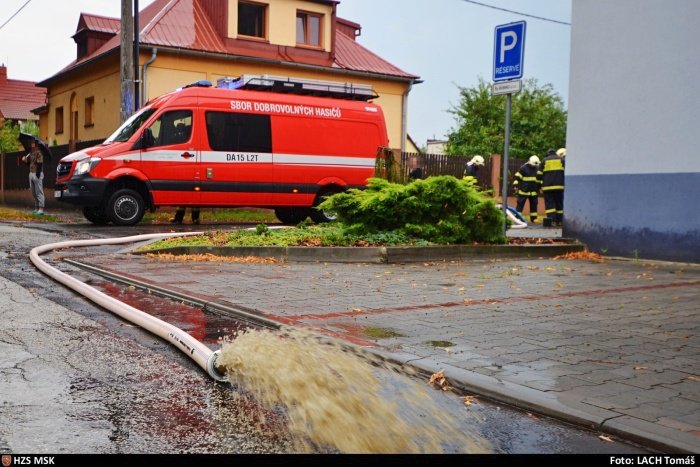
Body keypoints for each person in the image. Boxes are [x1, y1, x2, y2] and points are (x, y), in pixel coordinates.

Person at [539, 148, 565, 227]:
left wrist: (539, 184)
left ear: (548, 153)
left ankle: (551, 221)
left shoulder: (544, 161)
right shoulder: (561, 160)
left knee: (550, 204)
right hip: (559, 187)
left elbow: (539, 175)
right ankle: (560, 221)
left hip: (547, 187)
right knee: (559, 204)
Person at [513, 155, 542, 223]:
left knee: (534, 205)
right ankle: (517, 218)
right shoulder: (523, 168)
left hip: (534, 191)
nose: (534, 166)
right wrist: (515, 185)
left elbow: (540, 179)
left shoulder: (537, 168)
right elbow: (517, 177)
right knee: (520, 205)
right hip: (524, 190)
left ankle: (534, 219)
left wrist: (540, 187)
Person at [22, 139, 45, 215]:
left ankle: (41, 209)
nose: (32, 144)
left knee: (39, 192)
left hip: (37, 174)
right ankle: (36, 208)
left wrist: (38, 174)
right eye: (31, 142)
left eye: (33, 143)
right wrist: (25, 161)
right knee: (33, 192)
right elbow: (30, 164)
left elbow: (40, 163)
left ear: (36, 144)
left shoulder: (39, 152)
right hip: (31, 173)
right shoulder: (31, 152)